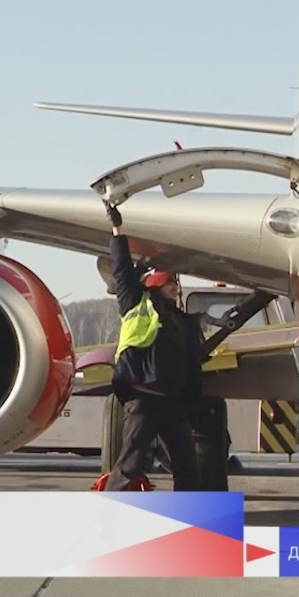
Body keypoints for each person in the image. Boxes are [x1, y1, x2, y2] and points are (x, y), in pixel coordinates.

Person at [102, 202, 206, 492]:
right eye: (170, 281)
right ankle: (107, 508)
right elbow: (122, 271)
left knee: (187, 465)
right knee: (131, 463)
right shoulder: (136, 303)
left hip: (172, 402)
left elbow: (192, 363)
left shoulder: (183, 321)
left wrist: (191, 399)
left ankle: (188, 514)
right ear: (155, 282)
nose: (175, 286)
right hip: (143, 400)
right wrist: (117, 231)